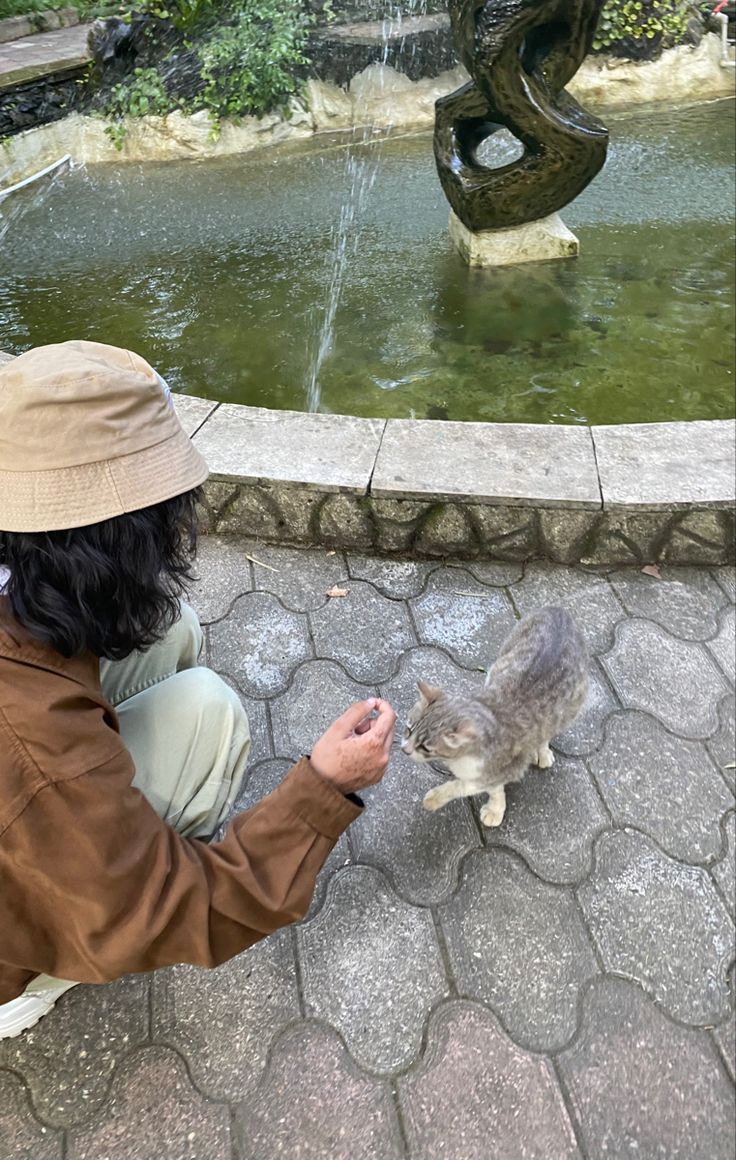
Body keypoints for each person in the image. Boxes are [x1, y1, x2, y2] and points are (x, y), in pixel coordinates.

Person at [0, 340, 396, 1039]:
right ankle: (30, 984)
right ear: (108, 544)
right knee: (210, 713)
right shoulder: (30, 735)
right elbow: (178, 907)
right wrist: (324, 793)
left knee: (168, 628)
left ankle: (92, 827)